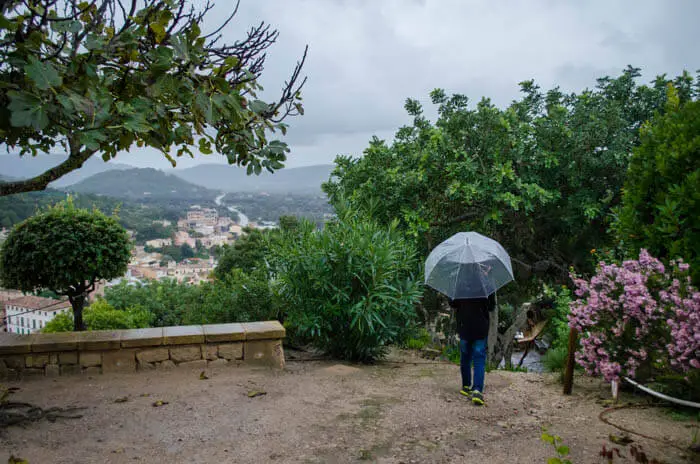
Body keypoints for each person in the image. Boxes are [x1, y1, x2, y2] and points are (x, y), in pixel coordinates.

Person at [448, 293, 496, 406]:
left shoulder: (460, 284)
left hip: (464, 326)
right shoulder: (486, 284)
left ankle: (466, 386)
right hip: (480, 327)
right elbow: (491, 307)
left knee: (465, 357)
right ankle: (477, 390)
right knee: (479, 359)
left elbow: (453, 304)